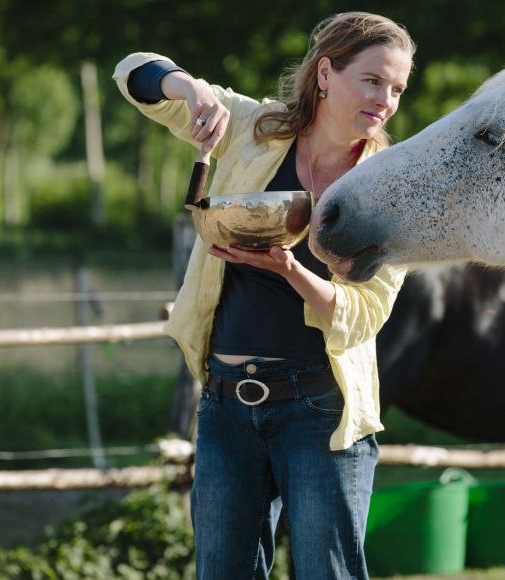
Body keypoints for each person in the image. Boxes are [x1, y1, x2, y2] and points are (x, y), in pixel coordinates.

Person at [113, 12, 415, 579]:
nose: (386, 99)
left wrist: (287, 270)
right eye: (372, 80)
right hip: (227, 406)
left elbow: (363, 315)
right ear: (325, 73)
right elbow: (132, 73)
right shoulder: (256, 127)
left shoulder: (389, 186)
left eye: (396, 88)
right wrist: (192, 91)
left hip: (321, 412)